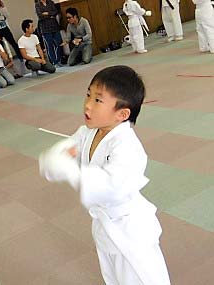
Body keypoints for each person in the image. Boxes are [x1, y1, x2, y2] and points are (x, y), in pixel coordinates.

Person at [39, 65, 170, 284]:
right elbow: (53, 160)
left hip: (130, 231)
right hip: (104, 229)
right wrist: (57, 160)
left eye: (98, 100)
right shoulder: (87, 134)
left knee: (141, 278)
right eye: (88, 94)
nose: (87, 104)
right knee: (114, 279)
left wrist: (71, 170)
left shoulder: (128, 147)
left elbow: (113, 187)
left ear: (122, 114)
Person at [35, 0, 63, 66]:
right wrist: (50, 15)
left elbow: (55, 12)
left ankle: (58, 59)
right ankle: (54, 62)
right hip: (45, 28)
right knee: (49, 46)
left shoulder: (51, 2)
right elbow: (40, 15)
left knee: (59, 43)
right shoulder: (37, 5)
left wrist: (46, 13)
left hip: (54, 26)